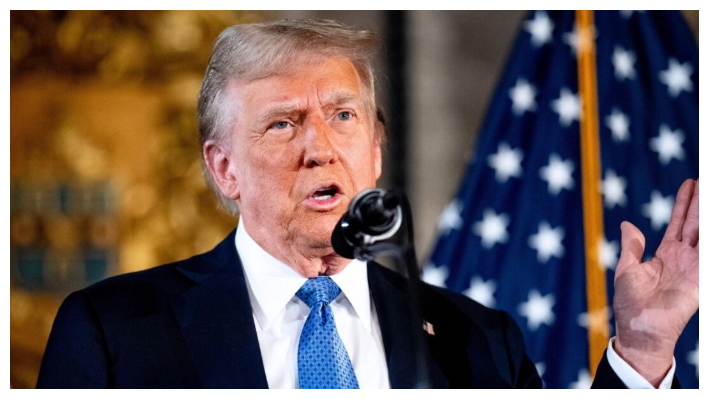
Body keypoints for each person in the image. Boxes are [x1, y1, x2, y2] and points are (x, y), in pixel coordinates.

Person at [36, 19, 698, 389]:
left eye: (343, 115)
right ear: (223, 166)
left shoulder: (474, 340)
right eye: (283, 123)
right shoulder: (114, 333)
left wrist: (641, 351)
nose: (320, 147)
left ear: (376, 149)